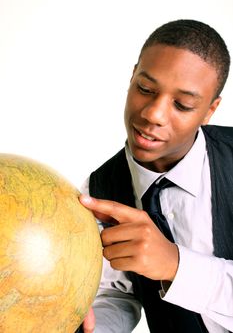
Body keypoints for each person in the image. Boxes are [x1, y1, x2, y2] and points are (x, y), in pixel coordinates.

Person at [79, 19, 233, 332]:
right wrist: (96, 327)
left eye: (183, 104)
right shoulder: (99, 189)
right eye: (145, 89)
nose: (153, 114)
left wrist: (175, 264)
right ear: (132, 76)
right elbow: (117, 292)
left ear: (210, 110)